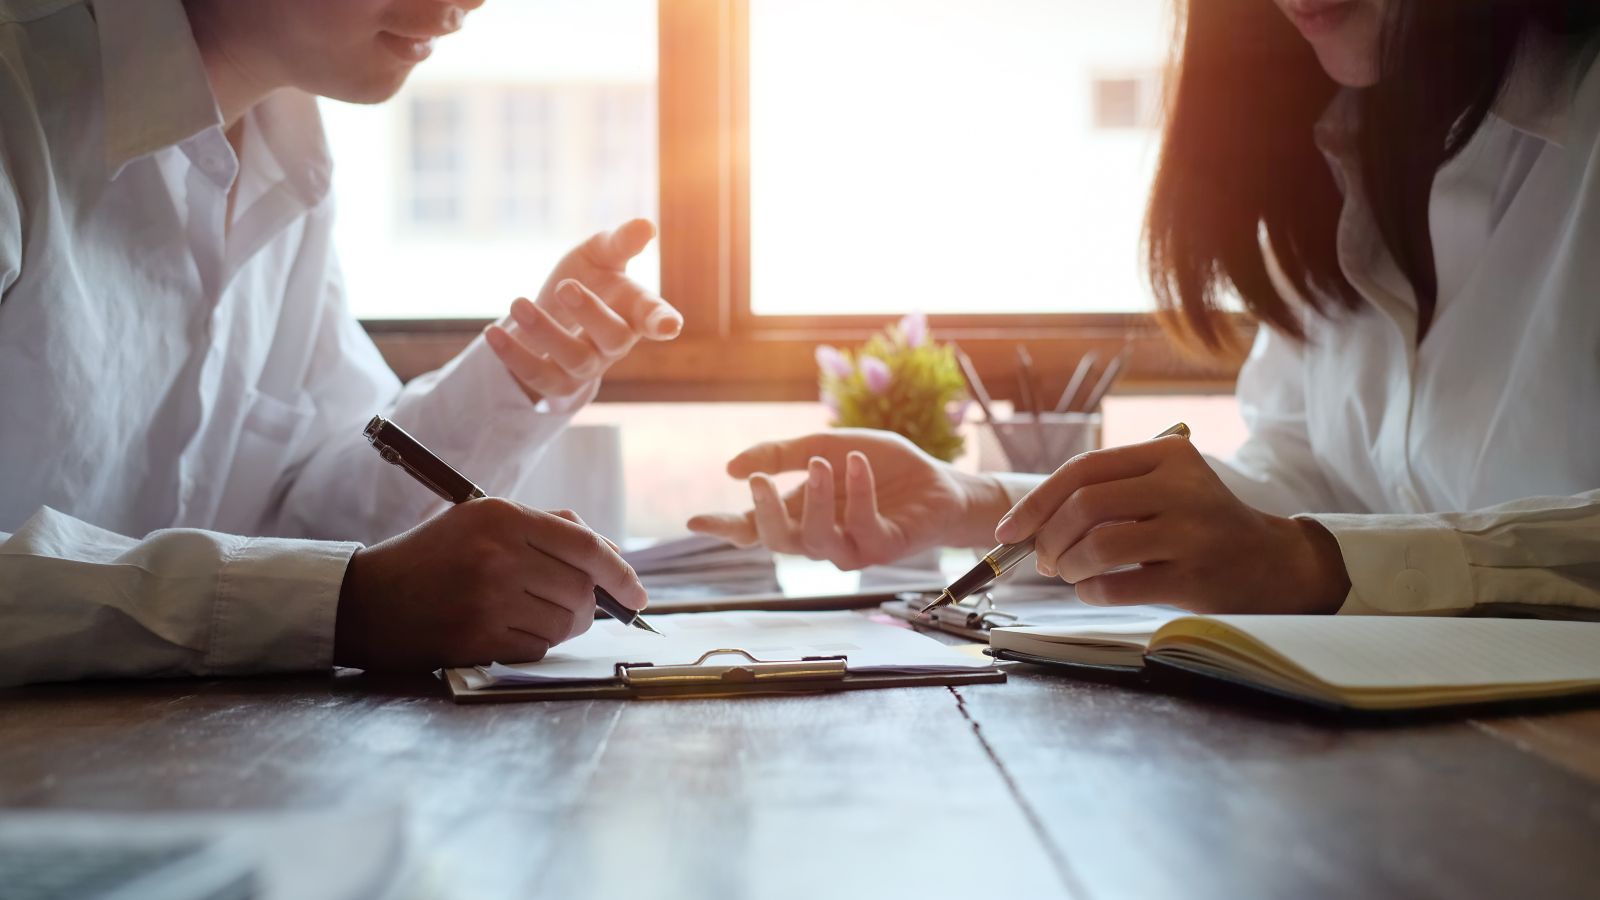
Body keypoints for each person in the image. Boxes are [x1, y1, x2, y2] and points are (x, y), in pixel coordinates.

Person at [690, 0, 1600, 618]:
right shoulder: (1335, 146)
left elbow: (1313, 538)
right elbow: (1313, 480)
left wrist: (1310, 565)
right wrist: (971, 502)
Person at [0, 0, 681, 685]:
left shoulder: (286, 150)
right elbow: (341, 580)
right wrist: (347, 605)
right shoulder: (16, 99)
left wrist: (517, 376)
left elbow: (318, 519)